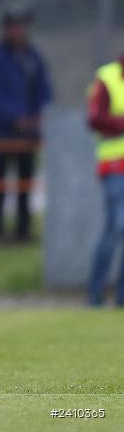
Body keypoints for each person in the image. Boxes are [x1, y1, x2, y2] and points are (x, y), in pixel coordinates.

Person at [0, 10, 52, 243]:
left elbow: (44, 90)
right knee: (1, 182)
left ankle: (23, 229)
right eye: (15, 27)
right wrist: (14, 117)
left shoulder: (32, 57)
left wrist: (39, 116)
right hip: (3, 131)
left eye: (22, 26)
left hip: (28, 133)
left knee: (25, 183)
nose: (19, 32)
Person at [86, 55, 124, 306]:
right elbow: (94, 118)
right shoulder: (108, 77)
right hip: (114, 167)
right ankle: (95, 293)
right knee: (116, 228)